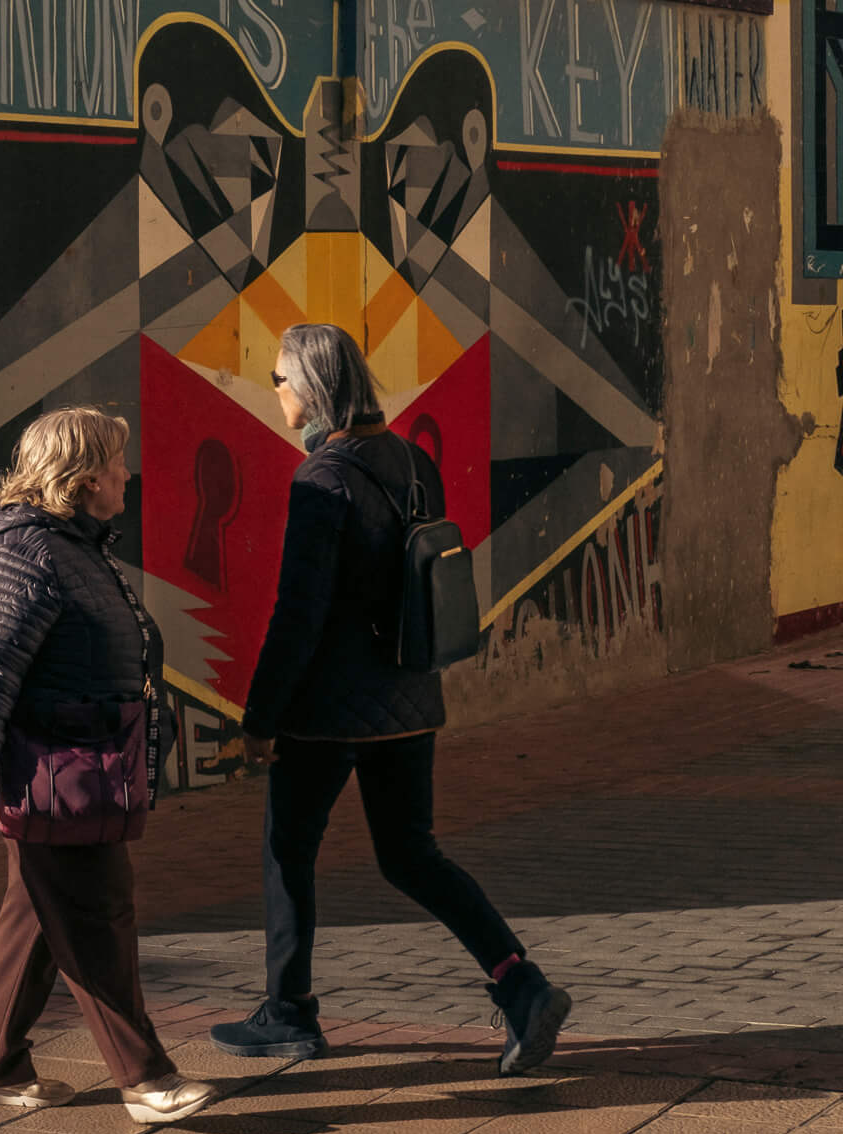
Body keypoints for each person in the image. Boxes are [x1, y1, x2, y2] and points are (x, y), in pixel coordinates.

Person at [211, 323, 572, 1076]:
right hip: (409, 700)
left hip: (327, 709)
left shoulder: (319, 482)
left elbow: (297, 614)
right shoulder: (413, 462)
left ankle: (289, 1011)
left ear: (311, 387)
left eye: (279, 380)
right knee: (412, 853)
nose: (273, 392)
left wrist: (260, 720)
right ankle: (521, 983)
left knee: (288, 849)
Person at [0, 407, 221, 1128]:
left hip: (82, 765)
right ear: (84, 474)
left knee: (39, 911)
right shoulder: (25, 550)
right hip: (53, 771)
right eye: (117, 461)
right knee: (97, 913)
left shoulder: (69, 544)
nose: (127, 473)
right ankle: (146, 1076)